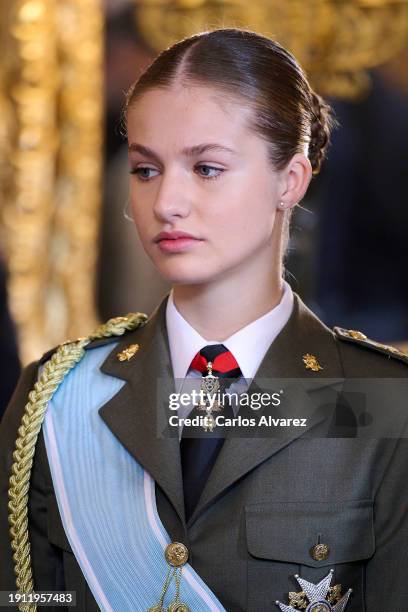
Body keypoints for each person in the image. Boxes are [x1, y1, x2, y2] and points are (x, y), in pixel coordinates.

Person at [1, 28, 407, 612]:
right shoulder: (58, 397)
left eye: (207, 168)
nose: (166, 202)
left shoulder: (387, 405)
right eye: (146, 169)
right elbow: (29, 598)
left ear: (289, 181)